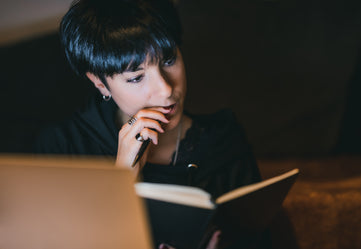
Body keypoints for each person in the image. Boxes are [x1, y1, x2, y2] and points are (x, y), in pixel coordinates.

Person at [34, 0, 267, 248]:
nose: (166, 89)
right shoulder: (64, 147)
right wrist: (123, 177)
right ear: (100, 83)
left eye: (169, 60)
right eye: (136, 77)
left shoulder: (223, 139)